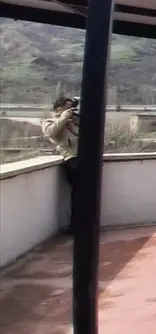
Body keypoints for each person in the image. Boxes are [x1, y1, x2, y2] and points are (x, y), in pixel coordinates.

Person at [42, 96, 80, 234]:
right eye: (68, 107)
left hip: (84, 155)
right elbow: (50, 132)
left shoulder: (74, 120)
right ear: (59, 109)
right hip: (71, 158)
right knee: (78, 192)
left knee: (88, 192)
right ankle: (75, 225)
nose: (71, 110)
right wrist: (63, 118)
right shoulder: (50, 121)